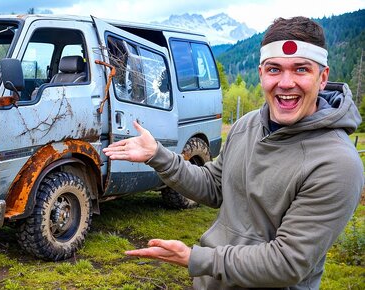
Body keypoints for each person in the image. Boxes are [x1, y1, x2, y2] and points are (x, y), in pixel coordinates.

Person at [103, 16, 363, 289]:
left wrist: (197, 258)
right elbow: (214, 186)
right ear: (262, 73)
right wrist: (158, 155)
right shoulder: (246, 126)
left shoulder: (337, 163)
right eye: (275, 69)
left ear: (322, 78)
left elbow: (288, 262)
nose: (286, 83)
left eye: (301, 69)